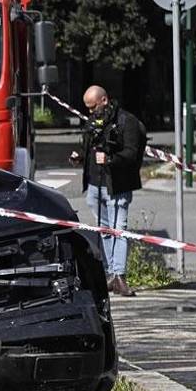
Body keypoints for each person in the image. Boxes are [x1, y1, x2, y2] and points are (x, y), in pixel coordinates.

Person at [70, 85, 143, 297]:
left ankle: (119, 275)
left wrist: (111, 159)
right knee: (104, 230)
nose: (90, 112)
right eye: (87, 108)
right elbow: (88, 148)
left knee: (119, 229)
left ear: (104, 100)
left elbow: (131, 153)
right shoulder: (92, 122)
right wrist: (79, 157)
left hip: (117, 184)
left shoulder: (126, 121)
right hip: (95, 184)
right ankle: (110, 274)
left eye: (93, 107)